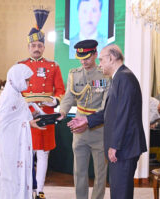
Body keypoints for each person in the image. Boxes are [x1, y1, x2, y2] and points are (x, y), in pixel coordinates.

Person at [68, 44, 147, 199]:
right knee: (119, 190)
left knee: (120, 192)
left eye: (102, 60)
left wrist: (115, 145)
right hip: (125, 145)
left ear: (111, 58)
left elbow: (123, 115)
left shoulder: (123, 78)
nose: (100, 64)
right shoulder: (120, 77)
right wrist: (86, 120)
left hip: (124, 146)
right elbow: (110, 112)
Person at [19, 8, 66, 199]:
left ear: (44, 47)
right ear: (29, 47)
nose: (36, 48)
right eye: (33, 45)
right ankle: (27, 188)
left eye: (40, 45)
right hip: (26, 115)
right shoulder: (20, 66)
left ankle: (40, 190)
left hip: (45, 115)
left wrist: (55, 100)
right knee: (26, 154)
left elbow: (61, 90)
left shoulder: (53, 66)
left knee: (43, 154)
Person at [58, 40, 109, 199]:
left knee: (100, 173)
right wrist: (63, 111)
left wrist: (90, 120)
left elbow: (105, 105)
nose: (83, 61)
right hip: (78, 130)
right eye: (81, 58)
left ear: (95, 54)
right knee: (79, 171)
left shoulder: (104, 75)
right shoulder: (74, 73)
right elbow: (69, 96)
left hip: (98, 128)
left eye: (87, 57)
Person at [0, 64, 46, 199]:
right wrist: (27, 124)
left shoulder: (17, 94)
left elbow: (19, 118)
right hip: (10, 148)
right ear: (18, 78)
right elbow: (5, 125)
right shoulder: (9, 96)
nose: (28, 83)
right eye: (26, 80)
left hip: (18, 144)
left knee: (19, 178)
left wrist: (30, 122)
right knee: (11, 179)